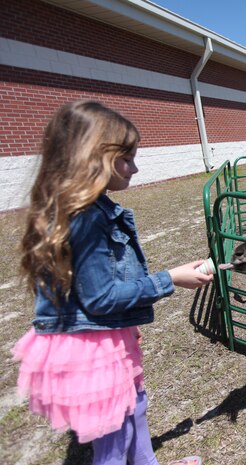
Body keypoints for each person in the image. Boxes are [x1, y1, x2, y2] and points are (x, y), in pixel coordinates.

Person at [12, 100, 212, 465]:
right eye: (127, 158)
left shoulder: (83, 209)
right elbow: (101, 298)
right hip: (92, 346)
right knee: (113, 436)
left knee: (134, 406)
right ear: (94, 157)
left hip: (101, 334)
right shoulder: (86, 219)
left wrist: (127, 325)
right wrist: (171, 279)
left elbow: (91, 293)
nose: (134, 168)